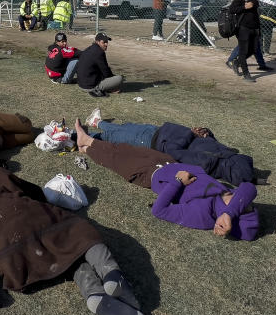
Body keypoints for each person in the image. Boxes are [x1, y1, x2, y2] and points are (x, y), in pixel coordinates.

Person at [0, 159, 145, 315]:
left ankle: (93, 293)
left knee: (66, 256)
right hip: (22, 219)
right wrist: (40, 197)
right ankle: (110, 272)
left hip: (9, 260)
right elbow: (20, 185)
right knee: (77, 233)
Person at [74, 121, 259, 240]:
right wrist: (231, 211)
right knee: (122, 148)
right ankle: (86, 144)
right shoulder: (230, 199)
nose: (236, 196)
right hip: (167, 161)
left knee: (115, 159)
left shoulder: (203, 215)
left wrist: (178, 182)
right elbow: (248, 188)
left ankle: (87, 144)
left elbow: (159, 210)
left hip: (150, 176)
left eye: (241, 205)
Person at [77, 110, 255, 185]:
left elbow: (175, 155)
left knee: (114, 138)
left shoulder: (206, 165)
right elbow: (207, 142)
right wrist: (205, 133)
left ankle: (75, 138)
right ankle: (96, 122)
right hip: (163, 132)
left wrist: (189, 135)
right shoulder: (223, 154)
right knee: (126, 128)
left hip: (153, 143)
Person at [228, 0, 261, 81]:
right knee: (243, 51)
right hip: (243, 28)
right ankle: (246, 75)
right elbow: (231, 10)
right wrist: (244, 7)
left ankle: (236, 63)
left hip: (255, 28)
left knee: (254, 49)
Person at [76, 33, 123, 98]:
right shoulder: (99, 52)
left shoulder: (89, 48)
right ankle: (102, 89)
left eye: (107, 42)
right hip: (89, 86)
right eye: (104, 42)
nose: (106, 44)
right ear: (97, 42)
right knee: (119, 78)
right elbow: (106, 73)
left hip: (81, 84)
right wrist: (113, 82)